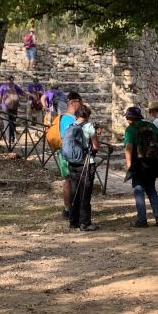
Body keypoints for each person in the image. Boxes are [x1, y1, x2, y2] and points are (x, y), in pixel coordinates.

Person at [124, 106, 158, 227]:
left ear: (131, 118)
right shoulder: (151, 126)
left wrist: (129, 165)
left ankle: (142, 220)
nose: (126, 119)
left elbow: (129, 148)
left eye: (127, 117)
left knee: (138, 190)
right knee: (151, 189)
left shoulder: (130, 129)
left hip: (138, 163)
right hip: (152, 162)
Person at [67, 104, 100, 231]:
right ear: (87, 115)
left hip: (72, 162)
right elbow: (96, 147)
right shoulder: (89, 126)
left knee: (74, 192)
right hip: (86, 163)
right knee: (85, 193)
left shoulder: (71, 126)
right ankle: (85, 223)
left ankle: (73, 221)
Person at [56, 92, 84, 220]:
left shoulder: (64, 117)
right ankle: (69, 210)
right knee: (70, 181)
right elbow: (68, 137)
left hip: (64, 153)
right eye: (80, 102)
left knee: (69, 181)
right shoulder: (69, 119)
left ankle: (69, 209)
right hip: (69, 155)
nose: (81, 105)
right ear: (74, 102)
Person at [0, 76, 25, 147]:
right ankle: (13, 138)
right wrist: (31, 95)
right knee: (13, 121)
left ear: (5, 80)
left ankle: (9, 139)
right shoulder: (15, 86)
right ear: (12, 80)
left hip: (6, 106)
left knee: (7, 122)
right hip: (14, 106)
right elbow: (23, 94)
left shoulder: (3, 86)